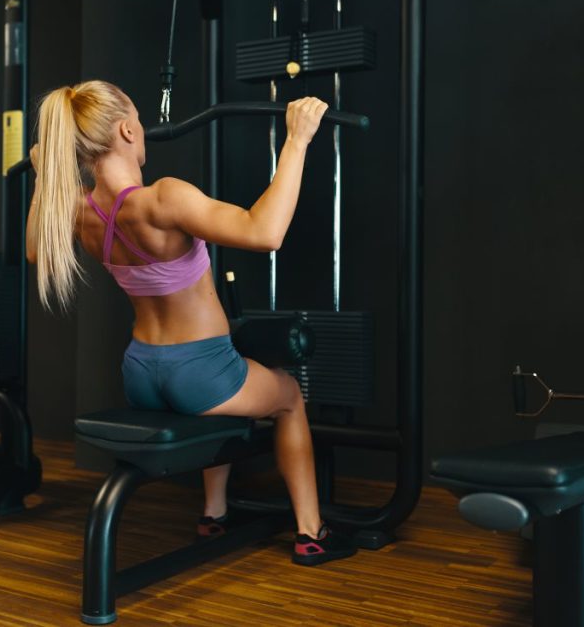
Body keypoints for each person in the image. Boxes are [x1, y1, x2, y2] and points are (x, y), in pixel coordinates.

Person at [26, 79, 356, 566]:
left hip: (141, 371)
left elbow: (35, 249)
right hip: (201, 371)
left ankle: (214, 512)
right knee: (287, 396)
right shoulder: (163, 199)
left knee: (212, 408)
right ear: (127, 130)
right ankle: (312, 531)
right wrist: (297, 139)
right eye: (139, 117)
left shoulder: (78, 210)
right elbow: (265, 233)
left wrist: (43, 177)